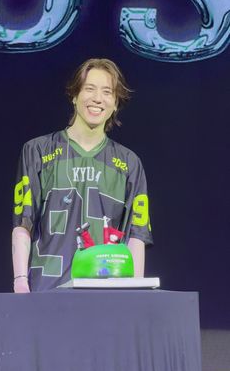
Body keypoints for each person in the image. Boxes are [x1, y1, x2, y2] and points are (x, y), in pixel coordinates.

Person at [12, 58, 153, 292]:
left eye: (107, 92)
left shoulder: (129, 164)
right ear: (74, 95)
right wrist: (20, 282)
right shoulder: (37, 151)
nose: (98, 98)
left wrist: (133, 294)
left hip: (107, 296)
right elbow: (23, 222)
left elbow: (136, 235)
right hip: (46, 291)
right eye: (89, 89)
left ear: (115, 103)